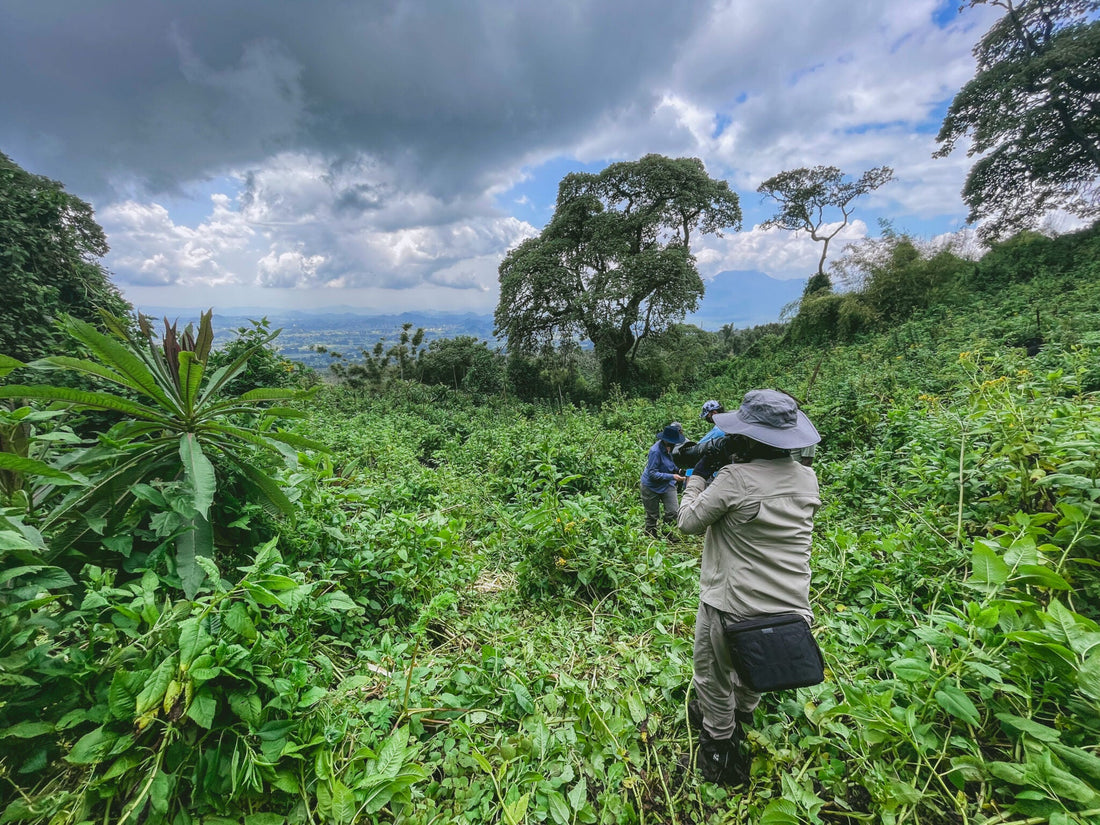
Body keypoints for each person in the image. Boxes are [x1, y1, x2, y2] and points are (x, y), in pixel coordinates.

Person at [676, 389, 821, 786]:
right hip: (789, 609)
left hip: (732, 605)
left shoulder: (735, 479)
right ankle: (742, 713)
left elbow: (687, 522)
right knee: (748, 668)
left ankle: (718, 747)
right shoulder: (807, 479)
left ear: (749, 437)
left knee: (712, 675)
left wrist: (698, 475)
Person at [640, 424, 688, 536]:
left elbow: (673, 464)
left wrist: (679, 470)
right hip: (651, 486)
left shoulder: (674, 448)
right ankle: (650, 535)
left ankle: (667, 533)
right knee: (652, 515)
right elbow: (652, 473)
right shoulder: (655, 451)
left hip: (667, 484)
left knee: (673, 511)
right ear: (666, 440)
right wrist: (672, 476)